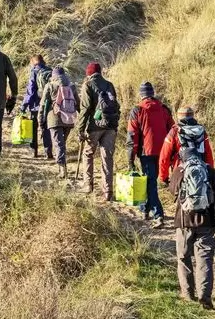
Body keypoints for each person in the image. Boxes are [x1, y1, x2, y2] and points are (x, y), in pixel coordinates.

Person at [169, 148, 215, 310]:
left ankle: (188, 294)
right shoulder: (209, 171)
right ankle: (205, 296)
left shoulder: (179, 171)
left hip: (183, 223)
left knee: (183, 257)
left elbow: (172, 191)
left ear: (183, 158)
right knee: (205, 261)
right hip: (207, 222)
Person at [126, 82, 174, 228]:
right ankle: (145, 209)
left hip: (146, 152)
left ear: (141, 94)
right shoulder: (164, 109)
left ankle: (158, 214)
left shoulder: (137, 110)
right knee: (150, 181)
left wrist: (131, 157)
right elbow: (173, 130)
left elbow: (132, 135)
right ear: (152, 93)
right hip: (163, 152)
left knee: (150, 183)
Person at [76, 62, 120, 201]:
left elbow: (85, 109)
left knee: (88, 154)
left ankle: (88, 185)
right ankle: (108, 191)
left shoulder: (88, 85)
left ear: (88, 73)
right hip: (110, 127)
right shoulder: (109, 85)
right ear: (100, 72)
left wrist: (80, 129)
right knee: (107, 157)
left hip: (94, 126)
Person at [39, 66, 79, 179]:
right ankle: (62, 165)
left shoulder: (50, 85)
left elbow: (42, 104)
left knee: (58, 144)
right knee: (62, 144)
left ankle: (62, 169)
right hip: (69, 119)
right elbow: (78, 103)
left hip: (54, 118)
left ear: (53, 76)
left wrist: (40, 118)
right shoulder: (72, 87)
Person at [158, 107, 214, 185]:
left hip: (180, 171)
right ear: (192, 116)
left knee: (178, 195)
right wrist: (210, 172)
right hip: (201, 171)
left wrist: (163, 177)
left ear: (179, 117)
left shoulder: (174, 131)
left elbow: (164, 156)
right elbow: (208, 154)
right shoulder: (201, 131)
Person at [21, 55, 53, 159]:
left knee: (33, 128)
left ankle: (33, 151)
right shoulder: (50, 71)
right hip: (48, 105)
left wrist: (24, 105)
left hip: (35, 105)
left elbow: (30, 91)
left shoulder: (34, 71)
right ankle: (48, 152)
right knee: (46, 128)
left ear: (33, 63)